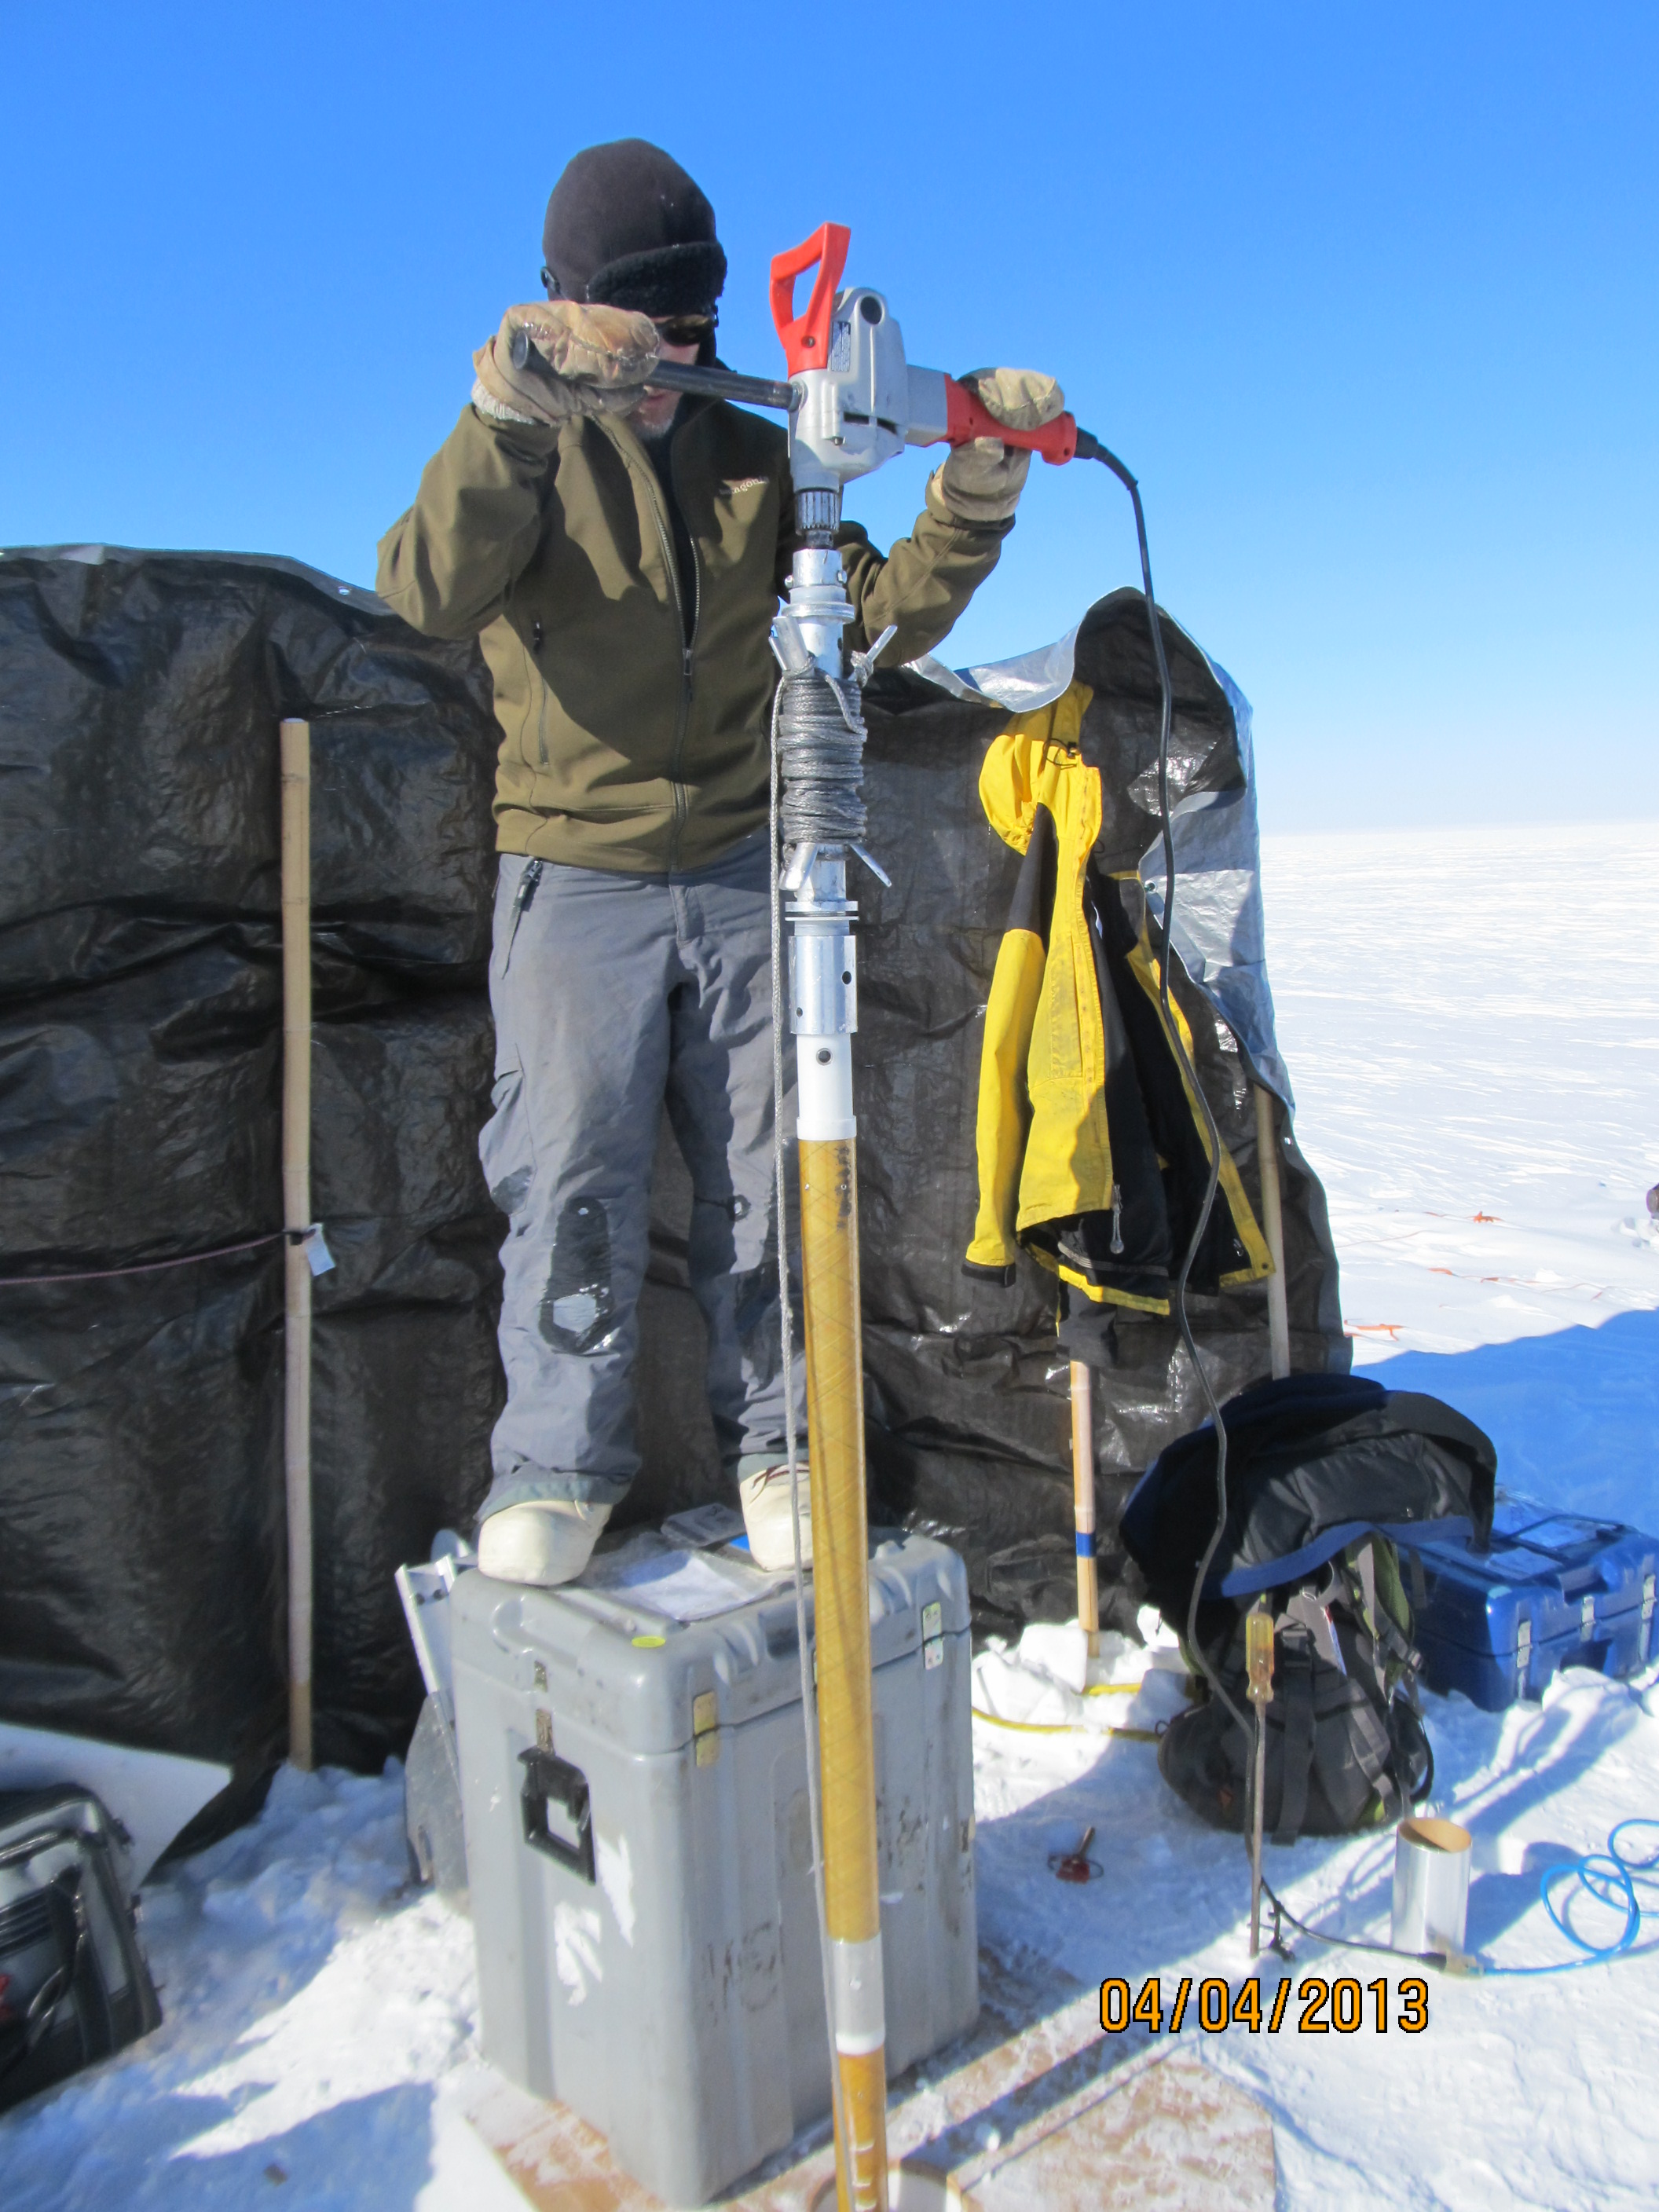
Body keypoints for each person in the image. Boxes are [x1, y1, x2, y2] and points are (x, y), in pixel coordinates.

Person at [377, 139, 1063, 1587]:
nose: (671, 360)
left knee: (772, 1172)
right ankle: (554, 1466)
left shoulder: (760, 450)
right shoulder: (529, 447)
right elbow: (426, 589)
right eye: (640, 330)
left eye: (693, 328)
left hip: (751, 871)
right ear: (568, 306)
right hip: (576, 877)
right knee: (572, 1171)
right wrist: (508, 410)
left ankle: (782, 1449)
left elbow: (867, 622)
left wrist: (976, 492)